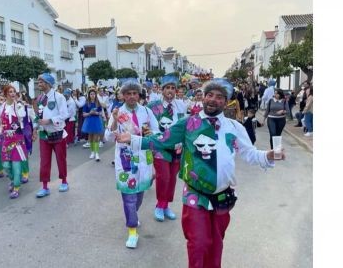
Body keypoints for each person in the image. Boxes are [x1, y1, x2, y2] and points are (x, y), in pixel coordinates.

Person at [116, 78, 285, 267]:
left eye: (219, 97)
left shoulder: (234, 127)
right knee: (198, 244)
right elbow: (162, 139)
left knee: (216, 244)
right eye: (210, 95)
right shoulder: (188, 123)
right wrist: (133, 139)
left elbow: (250, 153)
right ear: (203, 97)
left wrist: (269, 156)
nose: (213, 99)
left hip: (223, 197)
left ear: (226, 101)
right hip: (195, 196)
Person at [104, 79, 159, 248]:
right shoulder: (117, 112)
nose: (132, 96)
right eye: (128, 93)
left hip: (144, 157)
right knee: (128, 194)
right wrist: (113, 121)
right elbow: (107, 137)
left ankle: (133, 213)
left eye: (135, 93)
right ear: (123, 95)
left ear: (139, 95)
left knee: (140, 192)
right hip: (125, 158)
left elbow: (157, 134)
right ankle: (132, 230)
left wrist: (151, 133)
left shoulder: (147, 112)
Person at [146, 74, 181, 222]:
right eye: (168, 88)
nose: (171, 91)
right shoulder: (153, 106)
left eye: (173, 88)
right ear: (162, 89)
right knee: (163, 177)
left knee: (172, 178)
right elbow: (146, 124)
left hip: (177, 148)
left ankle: (166, 205)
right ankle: (159, 206)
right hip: (160, 147)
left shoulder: (182, 105)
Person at [33, 73, 70, 197]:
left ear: (48, 83)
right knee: (44, 161)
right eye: (38, 82)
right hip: (44, 135)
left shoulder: (59, 97)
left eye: (41, 82)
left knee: (61, 159)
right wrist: (35, 128)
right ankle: (45, 187)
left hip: (58, 133)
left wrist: (50, 120)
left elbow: (65, 114)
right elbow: (38, 116)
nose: (39, 84)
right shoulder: (39, 99)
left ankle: (64, 181)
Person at [0, 85, 30, 199]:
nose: (13, 94)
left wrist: (19, 105)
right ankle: (13, 180)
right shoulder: (1, 107)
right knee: (6, 165)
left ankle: (16, 187)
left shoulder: (19, 106)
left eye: (14, 92)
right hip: (6, 139)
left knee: (16, 165)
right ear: (5, 94)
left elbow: (22, 116)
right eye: (10, 92)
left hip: (18, 139)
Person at [81, 88, 105, 161]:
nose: (92, 95)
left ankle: (97, 153)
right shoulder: (86, 104)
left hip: (97, 121)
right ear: (89, 95)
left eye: (94, 94)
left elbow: (101, 113)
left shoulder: (98, 103)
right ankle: (92, 152)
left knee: (96, 137)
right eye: (91, 94)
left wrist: (96, 113)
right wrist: (90, 113)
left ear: (95, 95)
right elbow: (84, 114)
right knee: (90, 137)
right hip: (89, 121)